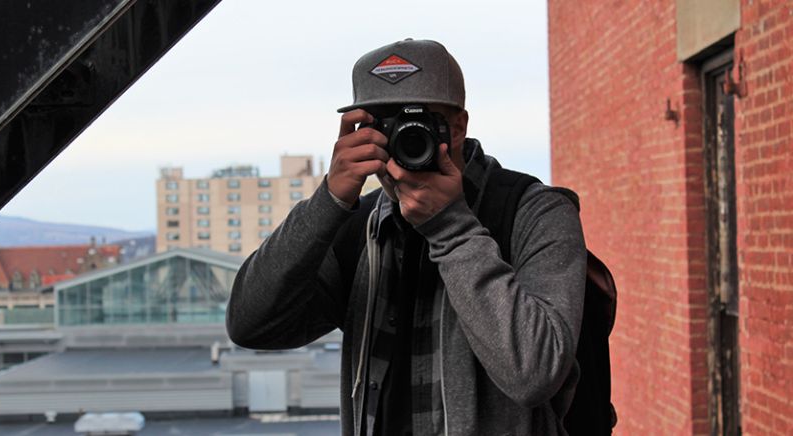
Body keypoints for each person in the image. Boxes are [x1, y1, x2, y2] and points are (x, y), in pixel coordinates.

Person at [226, 38, 587, 435]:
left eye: (419, 122)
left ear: (458, 127)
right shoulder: (356, 227)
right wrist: (327, 201)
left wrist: (450, 227)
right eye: (383, 125)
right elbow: (250, 325)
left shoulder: (534, 212)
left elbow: (534, 374)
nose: (403, 137)